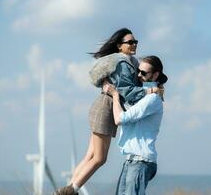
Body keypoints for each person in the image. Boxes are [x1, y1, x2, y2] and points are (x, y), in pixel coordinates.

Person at [54, 28, 161, 195]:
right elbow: (128, 91)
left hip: (103, 107)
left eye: (135, 42)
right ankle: (71, 190)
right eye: (130, 42)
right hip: (106, 108)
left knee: (90, 156)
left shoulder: (129, 62)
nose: (134, 45)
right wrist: (149, 91)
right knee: (99, 158)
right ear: (119, 46)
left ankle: (68, 188)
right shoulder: (123, 64)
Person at [103, 55, 168, 195]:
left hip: (141, 161)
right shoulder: (144, 97)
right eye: (138, 71)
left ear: (156, 75)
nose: (139, 75)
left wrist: (115, 94)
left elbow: (120, 118)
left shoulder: (152, 99)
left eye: (144, 73)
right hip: (131, 161)